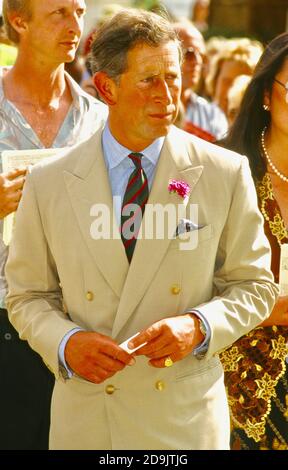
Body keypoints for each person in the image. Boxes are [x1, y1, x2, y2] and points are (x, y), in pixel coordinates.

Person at [5, 8, 278, 450]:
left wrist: (200, 325)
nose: (167, 96)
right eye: (149, 80)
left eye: (173, 77)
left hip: (183, 423)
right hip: (89, 423)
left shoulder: (225, 172)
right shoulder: (50, 182)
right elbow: (27, 295)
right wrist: (66, 342)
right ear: (107, 87)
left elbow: (254, 286)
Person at [0, 0, 107, 450]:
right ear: (19, 21)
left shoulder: (100, 118)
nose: (75, 25)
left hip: (80, 321)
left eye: (80, 12)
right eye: (59, 13)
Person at [221, 33, 288, 450]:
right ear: (266, 93)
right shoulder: (214, 167)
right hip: (237, 390)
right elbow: (177, 279)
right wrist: (266, 307)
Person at [174, 20, 228, 142]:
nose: (198, 61)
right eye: (190, 53)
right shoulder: (146, 108)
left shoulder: (213, 115)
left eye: (202, 56)